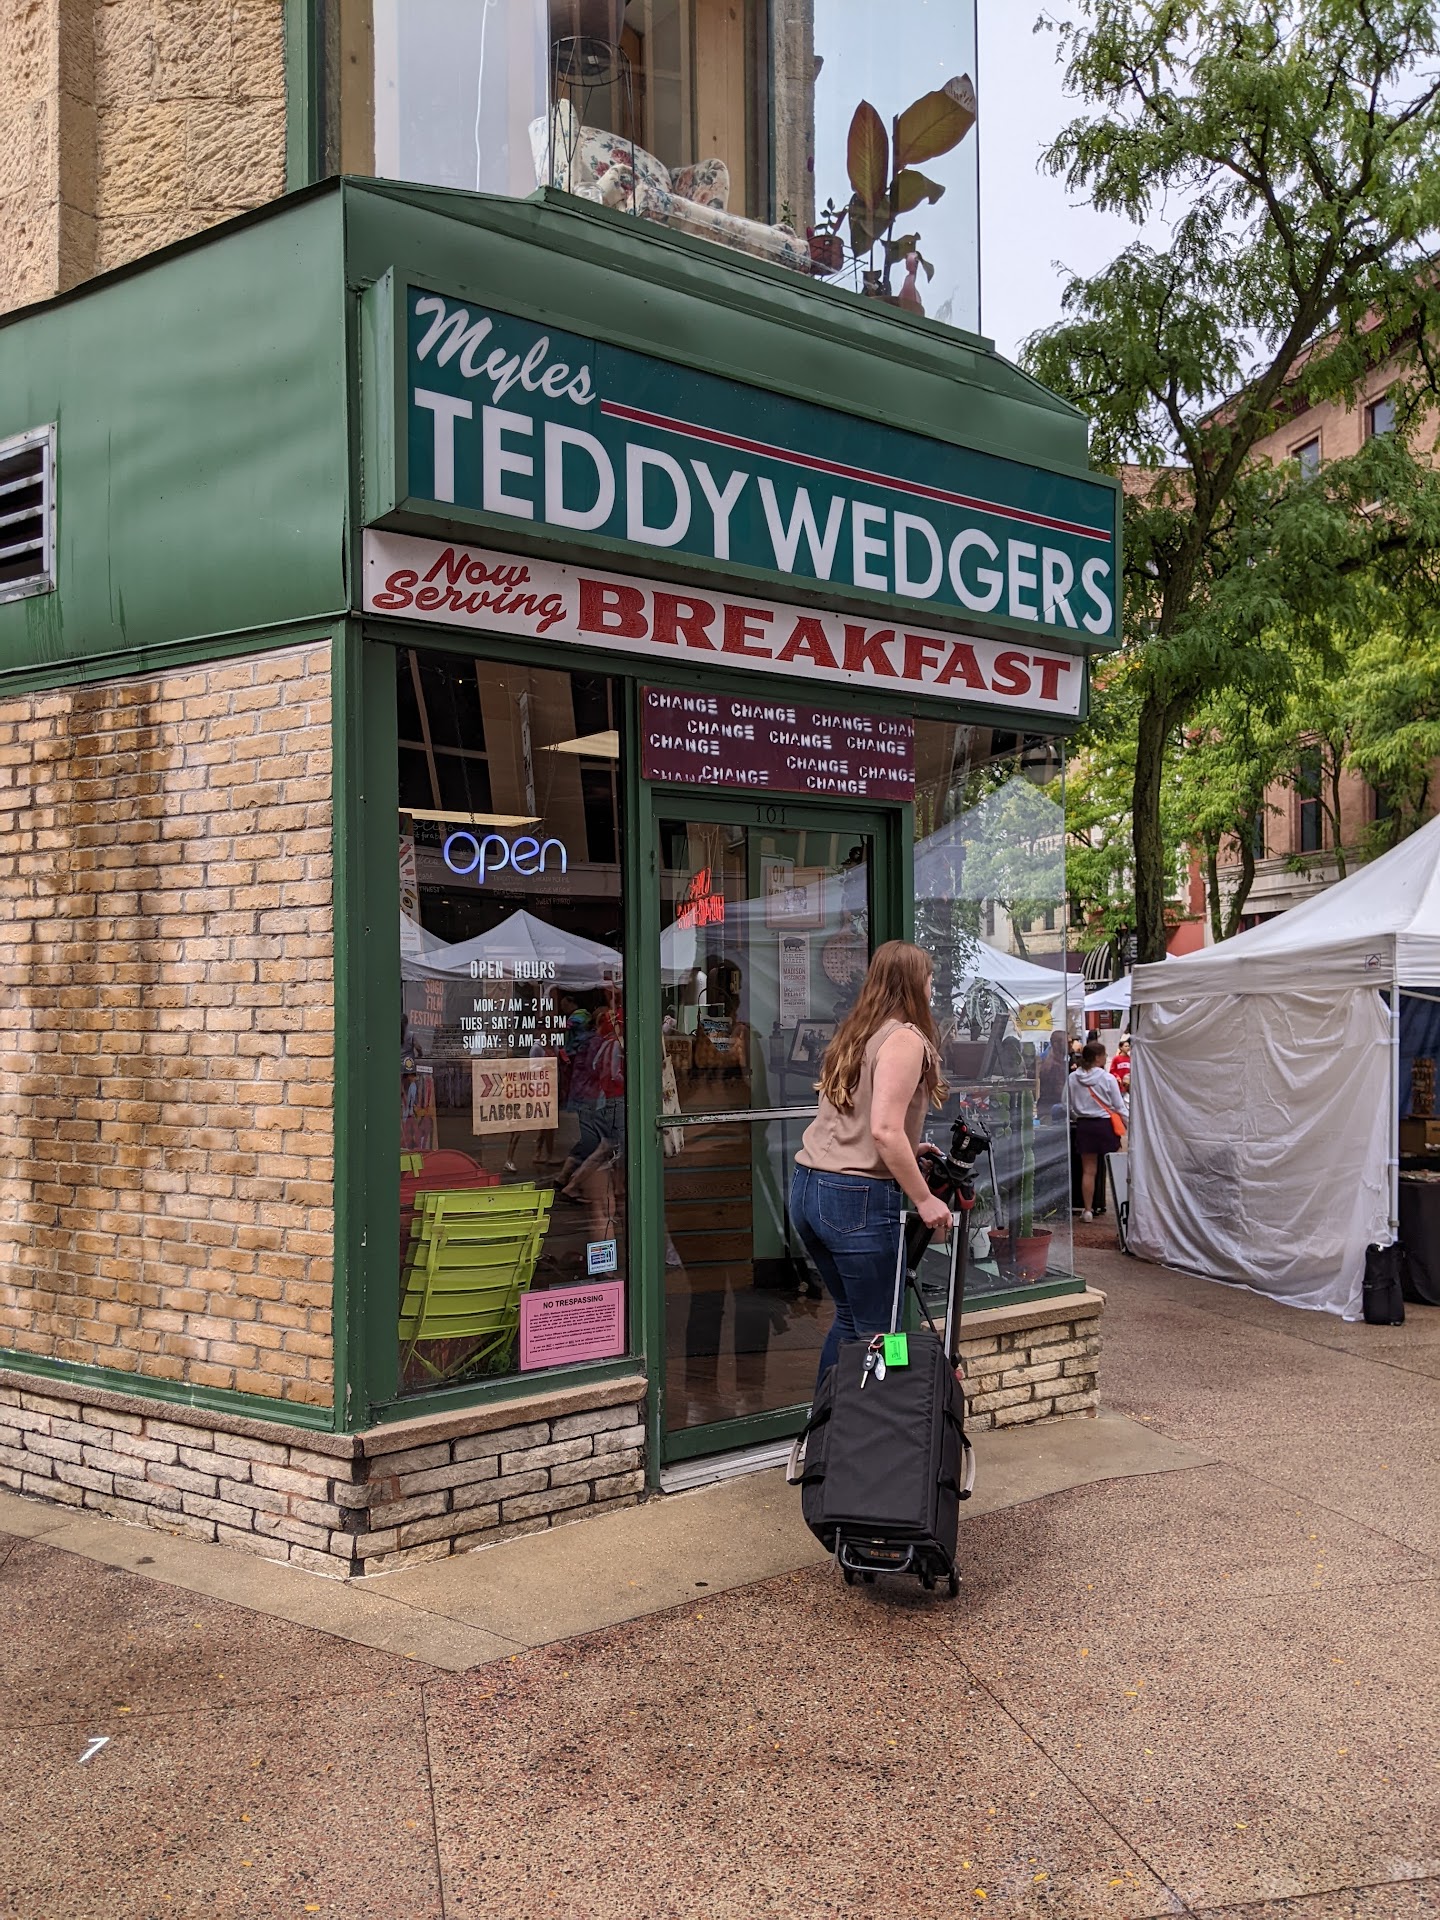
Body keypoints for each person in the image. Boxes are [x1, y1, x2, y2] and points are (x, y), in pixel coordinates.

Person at [788, 941, 953, 1441]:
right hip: (856, 1199)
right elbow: (883, 1130)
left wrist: (907, 1149)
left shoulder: (858, 1032)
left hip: (810, 1188)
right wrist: (924, 1197)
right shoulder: (905, 1039)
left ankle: (824, 1438)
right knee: (885, 1332)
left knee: (853, 1321)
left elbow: (865, 1123)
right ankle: (875, 1449)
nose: (933, 987)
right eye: (929, 978)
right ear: (914, 983)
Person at [1067, 1039, 1128, 1221]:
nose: (1106, 1057)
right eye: (1104, 1055)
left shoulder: (1073, 1078)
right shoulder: (1107, 1078)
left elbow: (1067, 1104)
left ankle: (1087, 1210)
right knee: (1116, 1166)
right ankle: (1122, 1208)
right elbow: (1119, 1106)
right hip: (1105, 1125)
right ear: (1097, 1058)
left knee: (1088, 1170)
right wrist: (1129, 1124)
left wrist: (1078, 1115)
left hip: (1085, 1126)